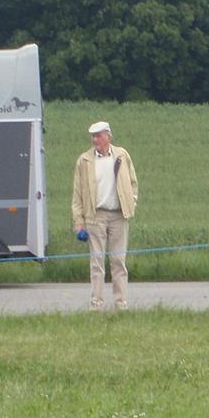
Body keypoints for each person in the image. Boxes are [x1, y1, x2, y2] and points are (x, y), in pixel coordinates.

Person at [71, 121, 138, 310]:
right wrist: (79, 222)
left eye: (99, 136)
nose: (95, 140)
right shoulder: (84, 160)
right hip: (95, 216)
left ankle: (121, 303)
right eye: (93, 136)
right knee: (97, 262)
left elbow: (133, 183)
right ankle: (96, 305)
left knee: (118, 261)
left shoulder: (121, 155)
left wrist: (131, 203)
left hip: (119, 215)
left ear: (108, 136)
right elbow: (77, 194)